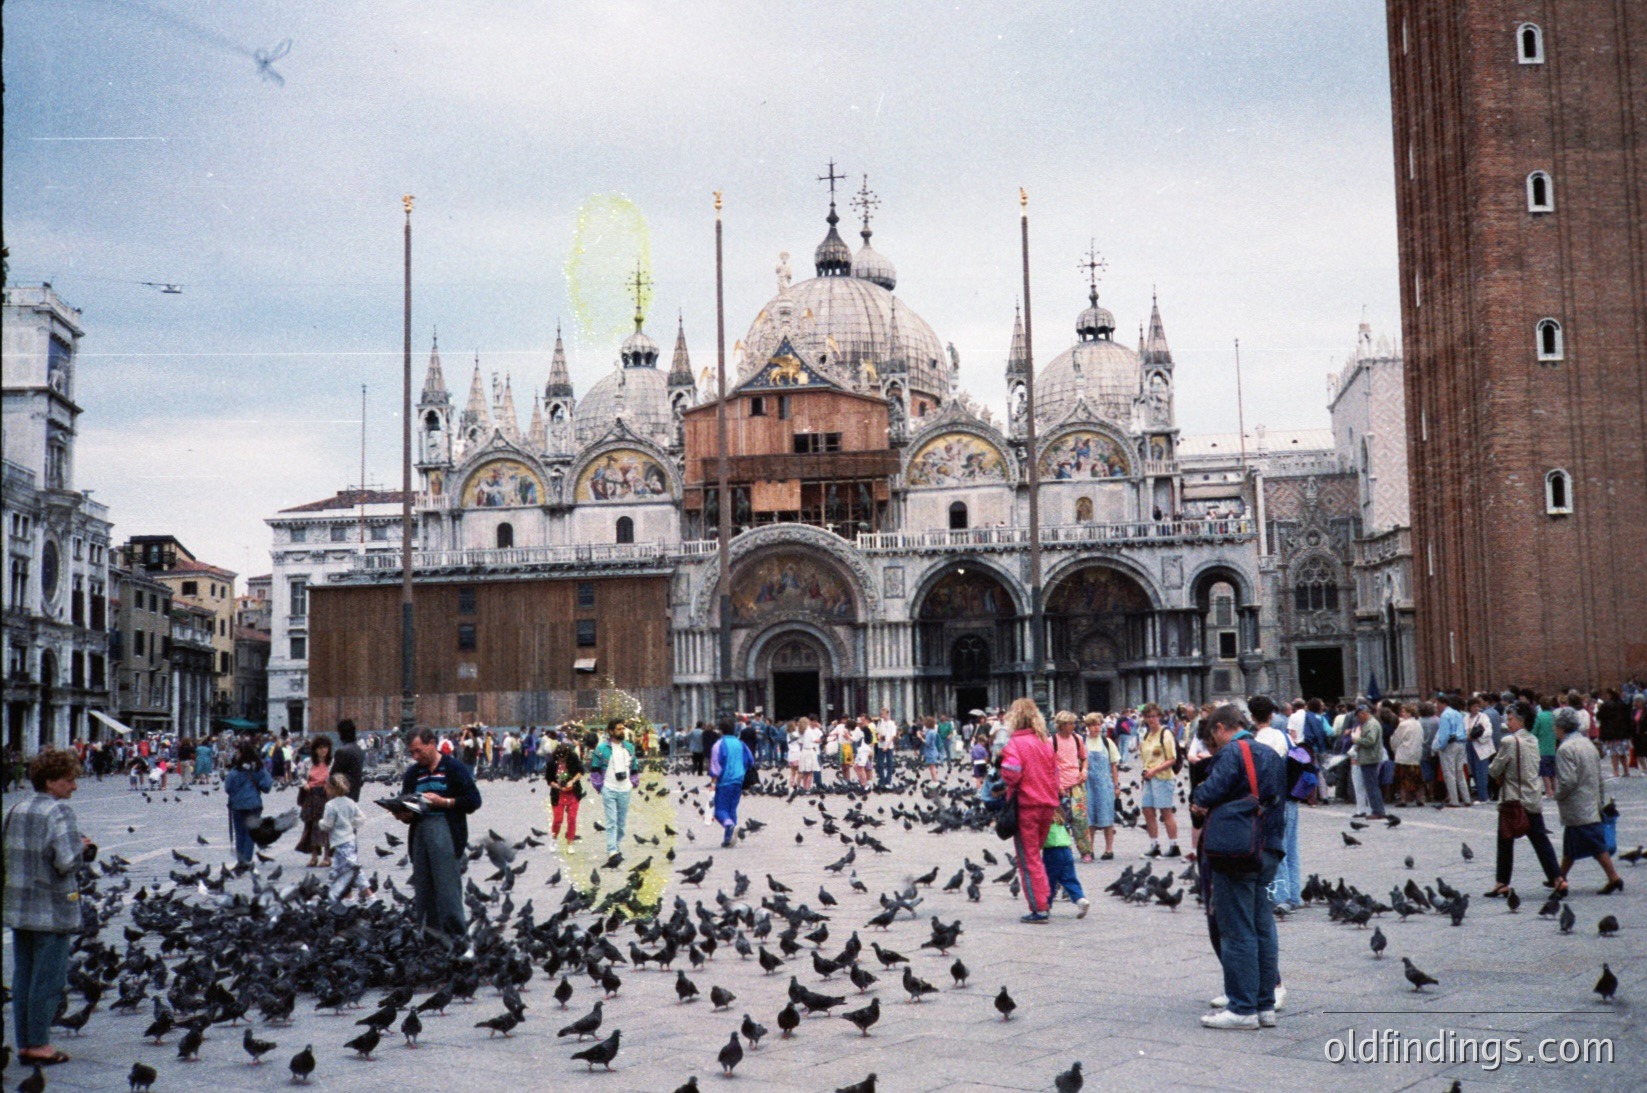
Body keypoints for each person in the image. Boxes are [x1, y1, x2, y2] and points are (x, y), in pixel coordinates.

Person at [1191, 705, 1286, 1030]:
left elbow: (1209, 792)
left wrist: (1198, 795)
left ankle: (1242, 1008)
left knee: (1236, 930)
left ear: (1220, 728)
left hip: (1238, 850)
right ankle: (1264, 1005)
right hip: (1269, 848)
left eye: (1213, 741)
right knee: (1262, 926)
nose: (1214, 747)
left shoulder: (1234, 752)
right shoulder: (1270, 753)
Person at [3, 749, 93, 1067]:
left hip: (18, 907)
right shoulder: (59, 813)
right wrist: (82, 847)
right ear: (51, 781)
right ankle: (40, 1044)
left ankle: (25, 1042)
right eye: (69, 780)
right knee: (49, 979)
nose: (74, 787)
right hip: (51, 909)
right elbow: (65, 861)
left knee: (24, 976)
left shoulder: (16, 808)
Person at [398, 727, 481, 942]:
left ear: (432, 743)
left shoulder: (453, 768)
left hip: (446, 832)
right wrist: (403, 814)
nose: (415, 757)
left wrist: (444, 802)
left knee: (447, 892)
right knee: (424, 893)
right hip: (420, 835)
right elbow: (406, 803)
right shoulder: (413, 774)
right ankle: (431, 941)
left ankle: (457, 941)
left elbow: (473, 800)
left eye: (418, 751)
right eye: (412, 753)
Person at [1485, 702, 1563, 898]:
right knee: (1540, 840)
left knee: (1505, 840)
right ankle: (1558, 879)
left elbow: (1494, 769)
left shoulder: (1509, 742)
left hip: (1513, 798)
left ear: (1520, 720)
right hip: (1533, 796)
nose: (1507, 723)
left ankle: (1502, 882)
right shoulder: (1533, 740)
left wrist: (1498, 772)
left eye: (1510, 719)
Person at [999, 697, 1059, 924]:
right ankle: (1045, 899)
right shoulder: (1045, 741)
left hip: (1026, 808)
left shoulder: (1014, 743)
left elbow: (1012, 773)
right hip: (1047, 806)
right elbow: (1055, 774)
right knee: (1037, 856)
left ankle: (1039, 908)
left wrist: (1003, 768)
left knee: (1028, 859)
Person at [1552, 708, 1624, 894]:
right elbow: (1599, 776)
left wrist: (1557, 794)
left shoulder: (1565, 749)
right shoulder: (1587, 743)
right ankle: (1560, 876)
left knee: (1594, 844)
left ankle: (1614, 877)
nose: (1554, 729)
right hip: (1590, 801)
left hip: (1577, 804)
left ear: (1561, 727)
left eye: (1555, 725)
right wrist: (1599, 798)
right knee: (1572, 844)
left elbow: (1568, 780)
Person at [1249, 696, 1300, 912]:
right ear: (1271, 715)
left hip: (1273, 802)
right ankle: (1295, 895)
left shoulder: (1257, 741)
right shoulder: (1284, 736)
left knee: (1274, 847)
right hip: (1291, 797)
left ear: (1252, 717)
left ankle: (1280, 898)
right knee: (1291, 848)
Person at [1137, 703, 1183, 857]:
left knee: (1166, 812)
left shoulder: (1166, 734)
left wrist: (1155, 770)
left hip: (1163, 777)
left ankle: (1174, 845)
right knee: (1147, 810)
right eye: (1148, 716)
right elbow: (1145, 759)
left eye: (1154, 716)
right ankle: (1154, 844)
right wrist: (1146, 773)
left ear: (1159, 717)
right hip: (1149, 778)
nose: (1151, 719)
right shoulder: (1146, 735)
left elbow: (1172, 759)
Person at [588, 720, 638, 857]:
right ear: (610, 731)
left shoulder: (629, 747)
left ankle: (616, 844)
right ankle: (612, 850)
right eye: (619, 729)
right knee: (611, 821)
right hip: (609, 788)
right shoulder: (601, 749)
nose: (622, 731)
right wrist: (600, 786)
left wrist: (634, 782)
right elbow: (594, 769)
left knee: (621, 824)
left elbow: (634, 765)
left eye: (623, 728)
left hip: (625, 789)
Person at [1050, 711, 1092, 860]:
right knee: (1063, 819)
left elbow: (1084, 758)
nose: (1073, 726)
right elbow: (1049, 766)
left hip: (1077, 784)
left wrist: (1084, 770)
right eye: (1070, 724)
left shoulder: (1077, 738)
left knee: (1080, 819)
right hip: (1060, 786)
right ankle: (1065, 849)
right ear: (1061, 725)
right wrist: (1057, 785)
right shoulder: (1052, 741)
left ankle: (1085, 851)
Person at [708, 716, 755, 847]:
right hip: (738, 781)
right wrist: (741, 770)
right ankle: (728, 838)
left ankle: (729, 827)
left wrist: (712, 784)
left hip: (724, 782)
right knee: (732, 809)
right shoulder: (741, 744)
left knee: (719, 810)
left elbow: (715, 766)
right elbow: (750, 760)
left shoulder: (719, 745)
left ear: (721, 730)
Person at [224, 740, 272, 864]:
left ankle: (241, 860)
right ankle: (247, 859)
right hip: (254, 805)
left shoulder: (235, 771)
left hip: (237, 806)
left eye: (237, 752)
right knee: (251, 833)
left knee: (239, 833)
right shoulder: (258, 768)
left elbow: (228, 788)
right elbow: (266, 786)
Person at [318, 773, 363, 901]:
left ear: (332, 789)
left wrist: (321, 823)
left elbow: (327, 825)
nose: (325, 789)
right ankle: (346, 898)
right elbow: (361, 818)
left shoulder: (330, 805)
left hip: (339, 841)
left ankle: (370, 897)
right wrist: (351, 825)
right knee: (339, 871)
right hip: (349, 840)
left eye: (326, 787)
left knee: (352, 871)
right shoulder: (350, 802)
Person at [1041, 801, 1089, 918]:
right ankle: (1080, 899)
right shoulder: (1060, 821)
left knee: (1049, 880)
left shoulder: (1046, 822)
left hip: (1052, 852)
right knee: (1069, 878)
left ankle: (1046, 905)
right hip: (1067, 850)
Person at [1083, 713, 1120, 860]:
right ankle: (1090, 848)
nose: (1096, 728)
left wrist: (1116, 785)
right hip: (1088, 784)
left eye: (1099, 724)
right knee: (1089, 817)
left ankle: (1108, 849)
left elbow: (1114, 766)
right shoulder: (1082, 742)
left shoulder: (1107, 742)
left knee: (1107, 816)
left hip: (1105, 784)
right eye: (1093, 725)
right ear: (1087, 726)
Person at [295, 736, 333, 868]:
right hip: (311, 796)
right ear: (315, 749)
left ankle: (327, 857)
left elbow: (335, 779)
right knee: (311, 827)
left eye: (325, 747)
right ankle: (314, 857)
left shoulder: (331, 763)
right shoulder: (307, 762)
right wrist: (305, 784)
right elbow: (299, 776)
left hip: (326, 797)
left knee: (326, 827)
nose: (323, 750)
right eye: (320, 748)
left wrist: (330, 786)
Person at [1434, 694, 1471, 807]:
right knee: (1460, 772)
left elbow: (1444, 734)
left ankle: (1454, 800)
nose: (1437, 707)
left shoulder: (1445, 715)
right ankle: (1466, 798)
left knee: (1449, 773)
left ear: (1444, 704)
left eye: (1438, 704)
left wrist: (1440, 747)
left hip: (1450, 744)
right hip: (1461, 743)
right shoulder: (1458, 714)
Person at [1350, 705, 1387, 819]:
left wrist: (1356, 739)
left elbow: (1370, 740)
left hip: (1370, 758)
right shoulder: (1370, 723)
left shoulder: (1371, 724)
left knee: (1372, 786)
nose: (1358, 720)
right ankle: (1377, 810)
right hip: (1369, 758)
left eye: (1358, 717)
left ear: (1363, 713)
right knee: (1372, 785)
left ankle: (1378, 811)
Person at [548, 737, 586, 842]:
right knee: (558, 820)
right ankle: (554, 839)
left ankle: (570, 841)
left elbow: (581, 771)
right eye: (560, 759)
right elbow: (549, 780)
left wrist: (572, 781)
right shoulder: (551, 762)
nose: (562, 760)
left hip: (573, 793)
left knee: (572, 819)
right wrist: (558, 786)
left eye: (564, 758)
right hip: (557, 794)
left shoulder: (573, 758)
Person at [1390, 706, 1424, 806]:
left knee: (1402, 777)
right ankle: (1419, 798)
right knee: (1417, 778)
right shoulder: (1418, 724)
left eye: (1404, 711)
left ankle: (1403, 799)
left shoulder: (1403, 724)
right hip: (1416, 753)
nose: (1402, 713)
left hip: (1404, 753)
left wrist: (1394, 748)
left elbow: (1396, 738)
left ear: (1410, 713)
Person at [332, 719, 365, 802]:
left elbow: (333, 775)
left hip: (342, 795)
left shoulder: (342, 751)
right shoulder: (358, 749)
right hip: (355, 794)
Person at [920, 716, 944, 781]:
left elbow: (927, 743)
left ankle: (935, 781)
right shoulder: (931, 731)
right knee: (931, 767)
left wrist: (921, 738)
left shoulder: (930, 732)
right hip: (931, 751)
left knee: (932, 768)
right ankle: (934, 780)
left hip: (931, 752)